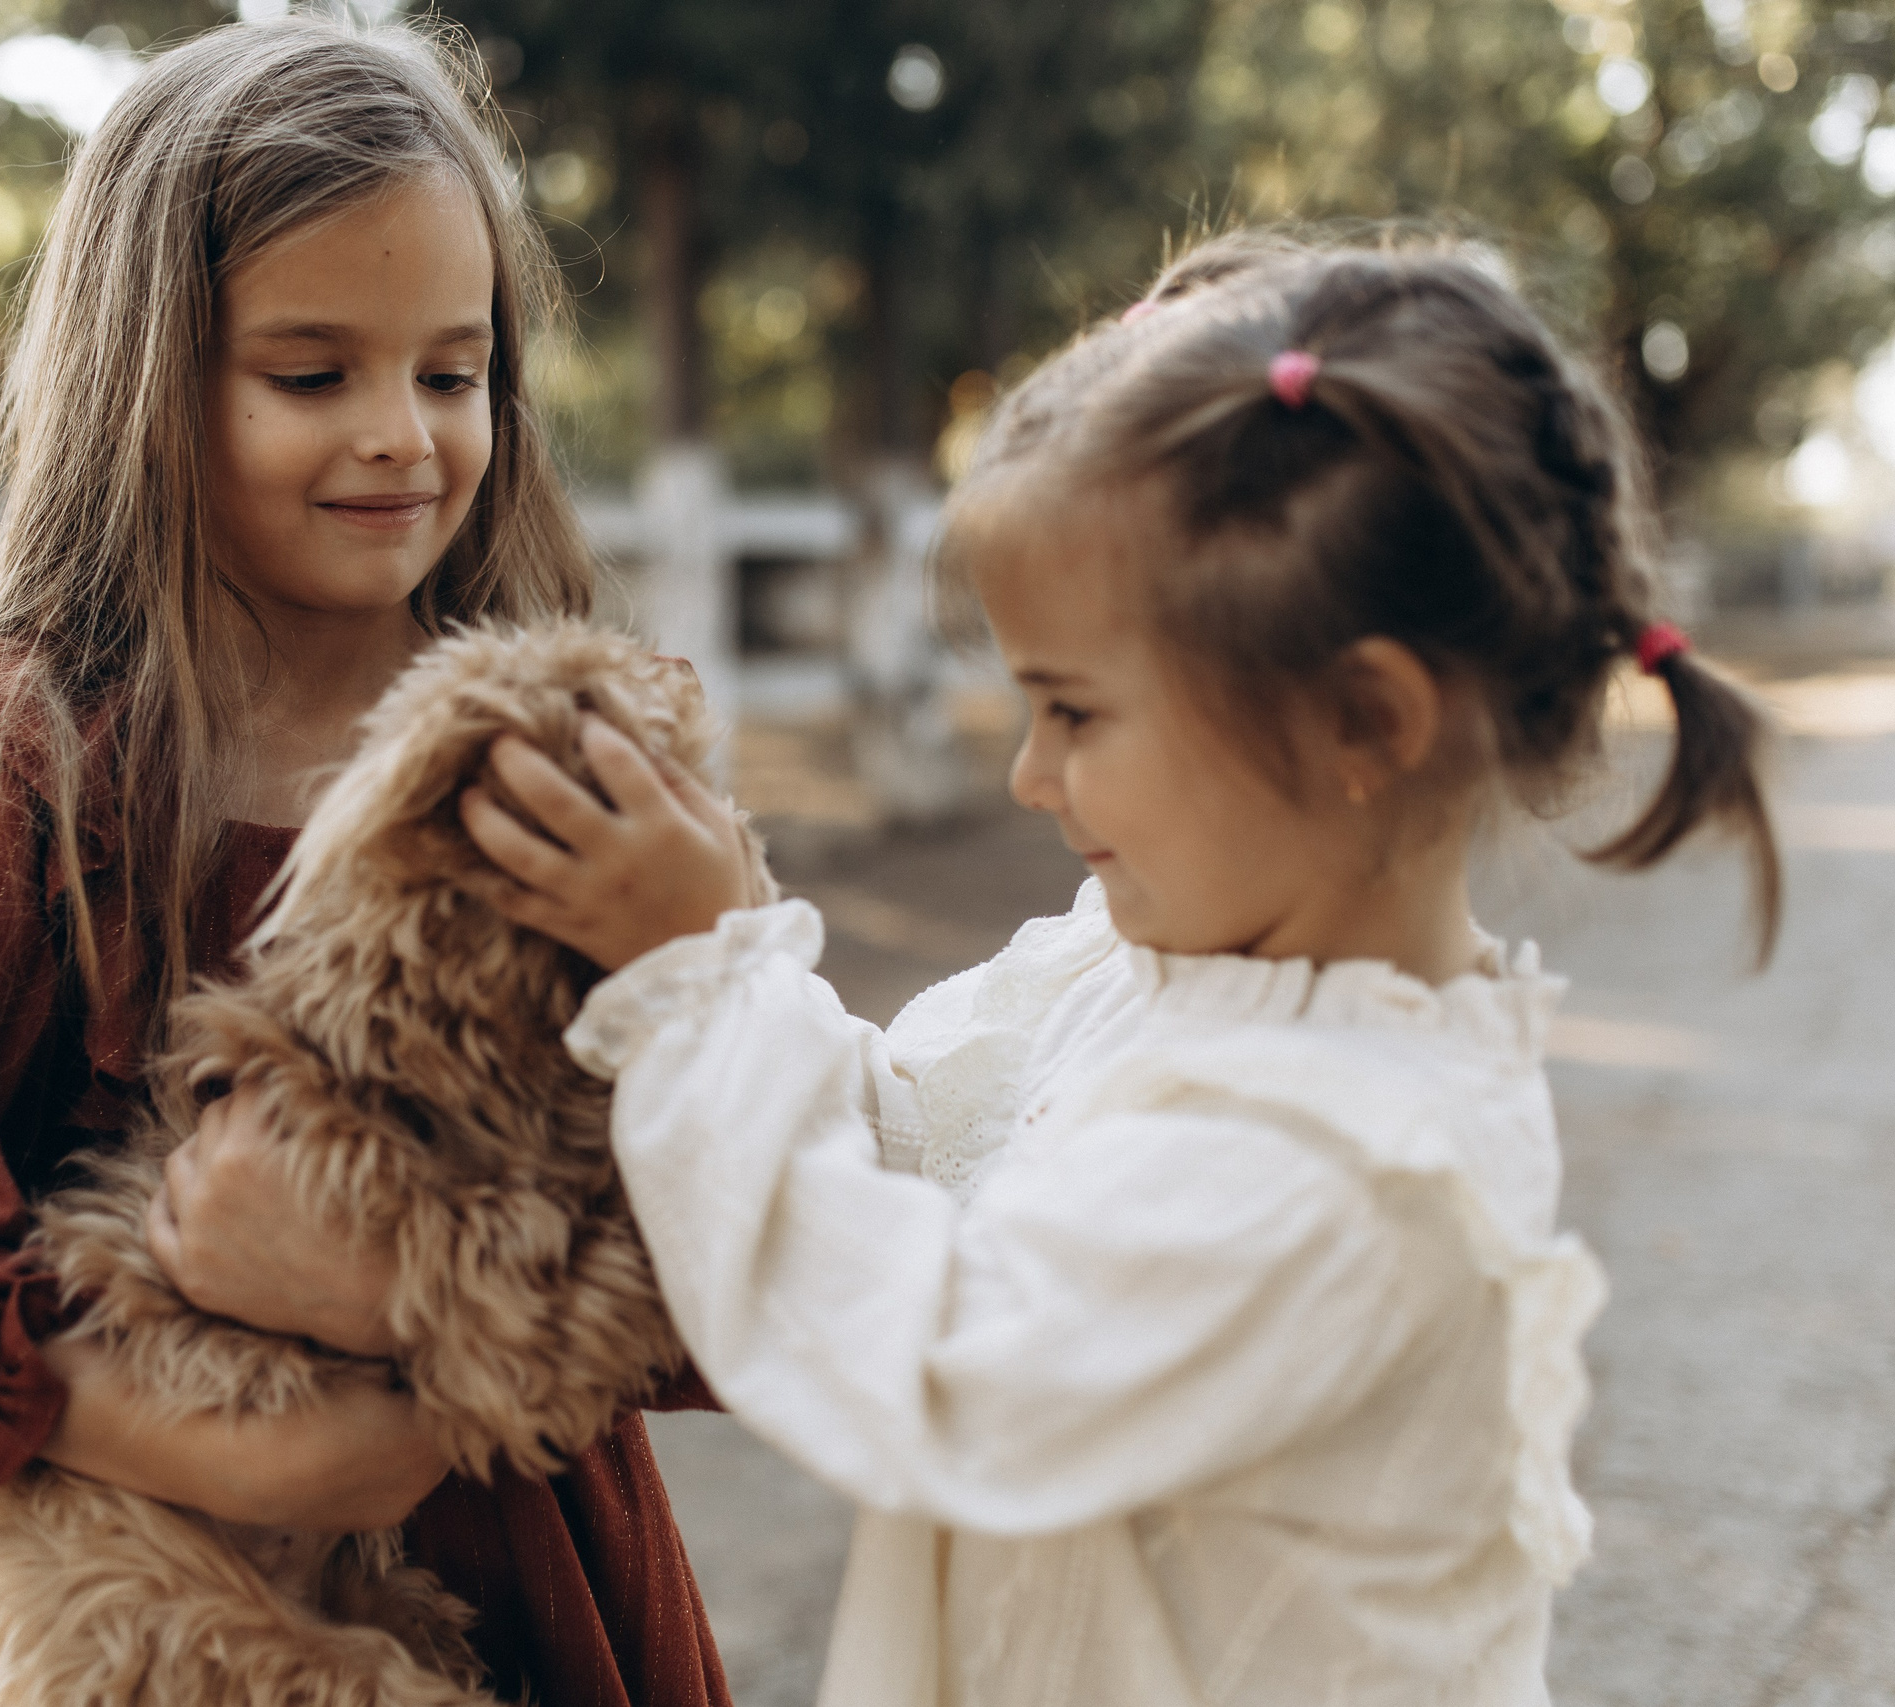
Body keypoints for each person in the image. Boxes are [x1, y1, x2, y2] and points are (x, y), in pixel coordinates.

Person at [441, 235, 1782, 1701]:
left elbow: (942, 1370)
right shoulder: (1147, 972)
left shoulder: (1352, 1161)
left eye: (1075, 713)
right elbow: (899, 1132)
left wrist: (701, 976)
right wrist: (695, 970)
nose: (1028, 775)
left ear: (1362, 723)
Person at [0, 17, 732, 1705]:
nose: (404, 439)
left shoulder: (556, 748)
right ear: (149, 377)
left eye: (452, 369)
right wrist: (251, 1461)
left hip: (545, 1570)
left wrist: (427, 1350)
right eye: (311, 373)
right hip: (191, 1596)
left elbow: (738, 1205)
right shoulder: (19, 754)